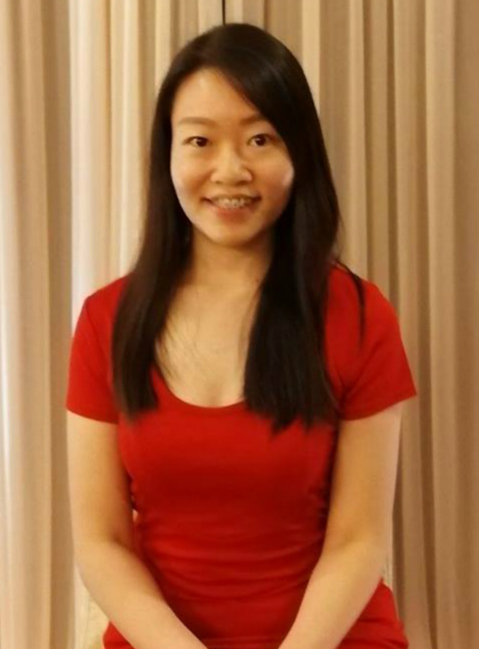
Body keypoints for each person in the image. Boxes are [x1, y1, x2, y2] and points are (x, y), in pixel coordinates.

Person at [65, 22, 418, 649]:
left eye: (260, 138)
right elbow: (102, 540)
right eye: (200, 140)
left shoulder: (362, 316)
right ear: (168, 155)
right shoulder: (106, 321)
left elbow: (358, 539)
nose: (230, 170)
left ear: (298, 153)